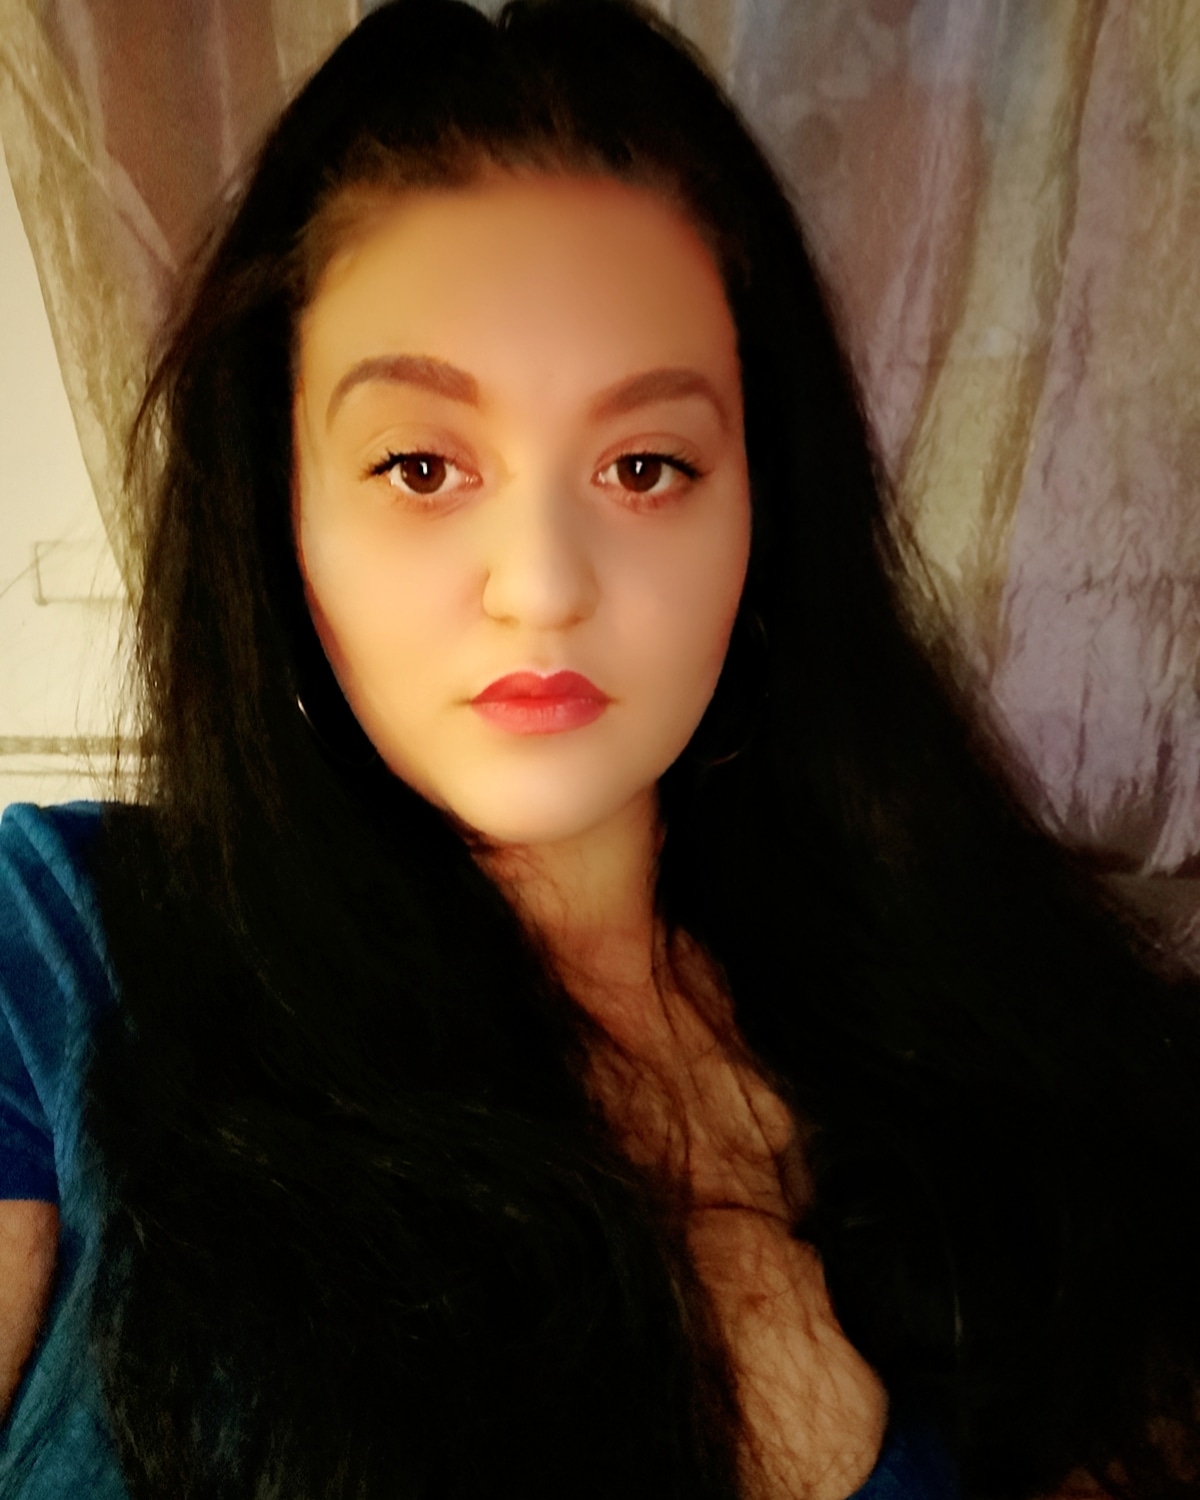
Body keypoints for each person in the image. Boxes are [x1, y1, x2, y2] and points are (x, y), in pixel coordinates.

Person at [2, 1, 1199, 1496]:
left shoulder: (985, 1037)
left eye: (644, 466)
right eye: (421, 466)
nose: (544, 584)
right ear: (277, 506)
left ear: (763, 510)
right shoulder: (56, 954)